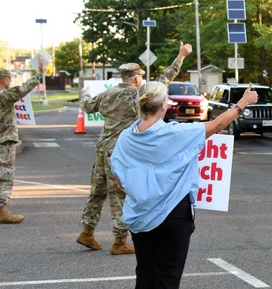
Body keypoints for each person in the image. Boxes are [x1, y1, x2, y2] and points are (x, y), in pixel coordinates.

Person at [110, 80, 258, 289]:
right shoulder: (174, 133)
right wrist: (242, 103)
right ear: (165, 105)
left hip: (141, 215)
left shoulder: (126, 138)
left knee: (146, 276)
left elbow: (118, 174)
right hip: (173, 214)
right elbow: (215, 125)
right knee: (166, 278)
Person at [77, 45, 192, 255]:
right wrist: (181, 56)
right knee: (119, 194)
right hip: (120, 152)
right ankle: (120, 241)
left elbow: (87, 106)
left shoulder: (108, 94)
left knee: (97, 192)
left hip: (102, 149)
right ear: (137, 78)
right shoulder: (138, 95)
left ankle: (87, 230)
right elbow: (163, 80)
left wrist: (83, 94)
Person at [0, 62, 44, 224]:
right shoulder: (2, 96)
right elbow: (22, 90)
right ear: (4, 80)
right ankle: (2, 211)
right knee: (3, 175)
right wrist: (38, 75)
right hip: (3, 141)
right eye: (9, 78)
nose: (10, 82)